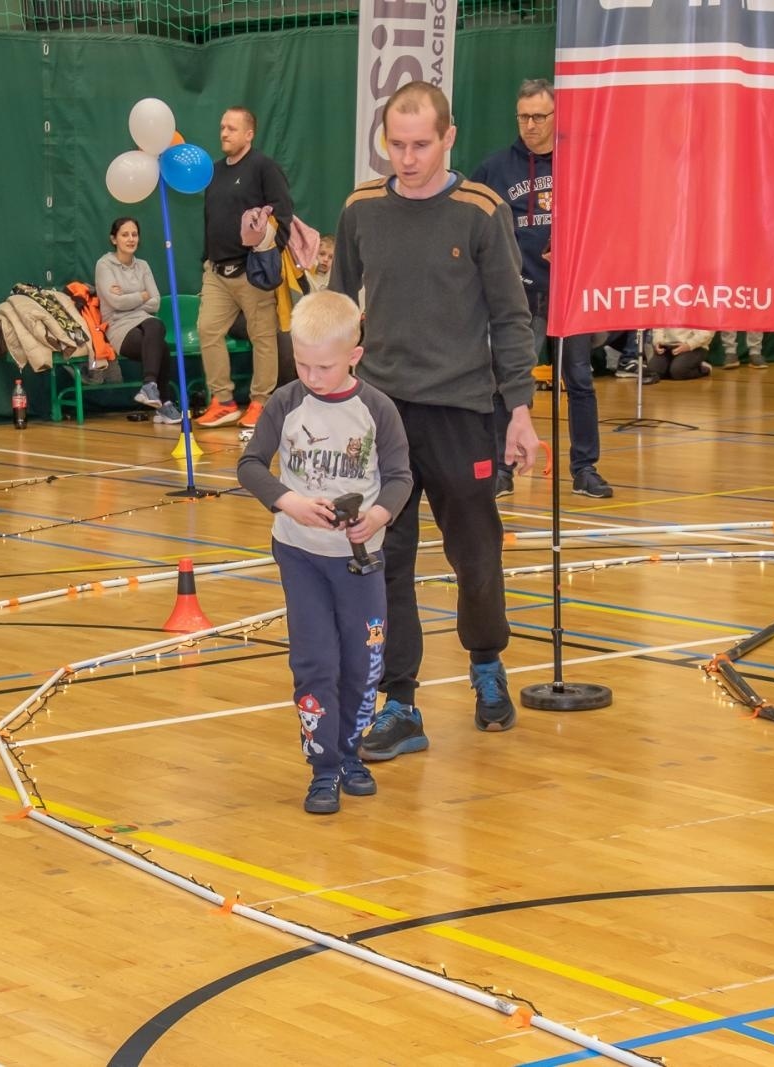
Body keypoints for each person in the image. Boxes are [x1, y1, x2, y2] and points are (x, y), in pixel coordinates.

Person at [331, 80, 540, 760]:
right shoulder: (361, 209)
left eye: (422, 144)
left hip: (462, 412)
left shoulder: (480, 211)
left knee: (475, 555)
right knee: (385, 560)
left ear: (449, 138)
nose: (408, 157)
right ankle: (400, 703)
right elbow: (339, 309)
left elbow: (511, 317)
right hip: (382, 415)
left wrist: (520, 411)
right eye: (396, 144)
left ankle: (485, 663)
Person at [236, 291, 413, 813]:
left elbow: (400, 478)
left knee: (362, 661)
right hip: (300, 556)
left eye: (325, 366)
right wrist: (287, 501)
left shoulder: (377, 409)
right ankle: (323, 767)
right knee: (315, 661)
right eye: (303, 363)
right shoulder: (286, 402)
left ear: (354, 356)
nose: (311, 376)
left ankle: (352, 754)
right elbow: (250, 465)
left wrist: (377, 517)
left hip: (361, 563)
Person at [470, 79, 612, 499]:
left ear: (555, 117)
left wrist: (577, 248)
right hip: (518, 298)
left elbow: (603, 221)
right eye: (523, 117)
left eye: (539, 117)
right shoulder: (496, 170)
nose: (530, 125)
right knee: (508, 384)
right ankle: (502, 466)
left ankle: (585, 467)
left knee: (580, 381)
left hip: (570, 296)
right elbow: (477, 225)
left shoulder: (581, 164)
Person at [193, 107, 293, 430]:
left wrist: (268, 253)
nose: (224, 133)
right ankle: (223, 401)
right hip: (217, 272)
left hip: (251, 271)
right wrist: (208, 259)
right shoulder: (214, 171)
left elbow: (283, 215)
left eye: (231, 128)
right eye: (222, 127)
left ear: (249, 134)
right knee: (208, 329)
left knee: (263, 336)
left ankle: (262, 402)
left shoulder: (264, 167)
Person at [96, 217, 180, 425]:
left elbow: (156, 302)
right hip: (119, 327)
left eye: (134, 234)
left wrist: (127, 297)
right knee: (160, 344)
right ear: (113, 239)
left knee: (155, 325)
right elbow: (114, 303)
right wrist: (141, 295)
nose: (131, 239)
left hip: (145, 322)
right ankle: (165, 403)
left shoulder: (143, 266)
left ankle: (149, 386)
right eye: (125, 235)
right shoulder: (104, 264)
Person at [648, 329, 715, 380]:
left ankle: (703, 368)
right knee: (654, 371)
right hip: (667, 345)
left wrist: (689, 344)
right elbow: (658, 326)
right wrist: (658, 341)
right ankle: (672, 367)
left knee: (678, 371)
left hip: (695, 347)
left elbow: (707, 332)